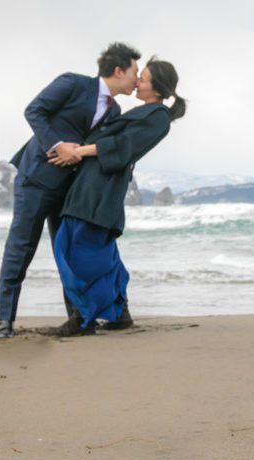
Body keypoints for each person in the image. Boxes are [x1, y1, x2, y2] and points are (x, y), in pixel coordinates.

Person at [0, 43, 141, 339]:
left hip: (70, 191)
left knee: (70, 254)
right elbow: (34, 111)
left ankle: (78, 319)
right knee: (21, 249)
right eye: (135, 73)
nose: (137, 80)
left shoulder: (116, 112)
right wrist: (57, 144)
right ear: (118, 70)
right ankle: (4, 322)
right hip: (35, 180)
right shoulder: (73, 84)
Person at [47, 59, 186, 336]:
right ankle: (119, 313)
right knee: (97, 248)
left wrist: (77, 151)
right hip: (93, 183)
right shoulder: (144, 111)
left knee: (80, 249)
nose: (137, 82)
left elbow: (123, 147)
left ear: (157, 88)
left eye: (143, 79)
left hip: (102, 186)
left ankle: (83, 318)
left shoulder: (158, 117)